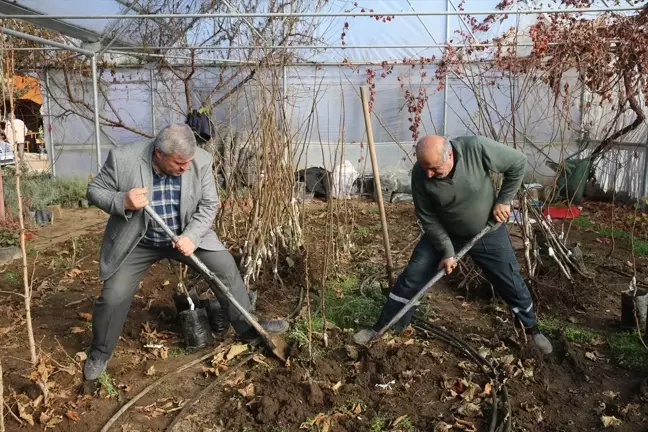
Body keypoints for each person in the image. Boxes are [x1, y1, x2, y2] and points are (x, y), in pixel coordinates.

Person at [83, 123, 288, 380]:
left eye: (189, 161)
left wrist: (191, 236)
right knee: (113, 296)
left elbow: (210, 204)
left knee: (224, 266)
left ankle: (249, 330)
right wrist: (122, 201)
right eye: (180, 163)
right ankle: (100, 352)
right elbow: (94, 191)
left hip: (184, 236)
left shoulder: (200, 160)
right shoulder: (123, 159)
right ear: (158, 153)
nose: (186, 168)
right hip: (139, 241)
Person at [353, 135, 553, 355]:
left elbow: (518, 162)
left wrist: (504, 199)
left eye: (434, 168)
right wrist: (447, 251)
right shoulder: (421, 174)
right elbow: (427, 217)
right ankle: (384, 327)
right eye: (424, 167)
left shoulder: (475, 148)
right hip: (443, 234)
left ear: (449, 155)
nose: (428, 174)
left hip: (487, 232)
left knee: (511, 280)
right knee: (412, 277)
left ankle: (532, 329)